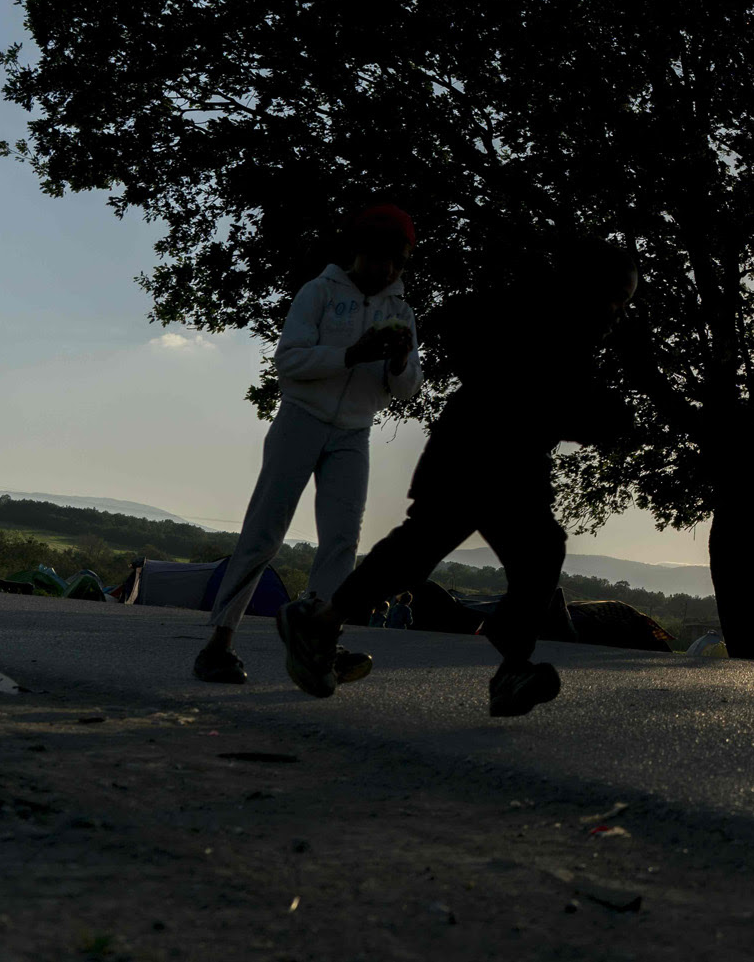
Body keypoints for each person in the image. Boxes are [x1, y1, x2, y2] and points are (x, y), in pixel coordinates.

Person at [276, 239, 638, 717]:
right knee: (433, 549)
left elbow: (555, 405)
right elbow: (522, 383)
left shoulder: (573, 336)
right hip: (474, 454)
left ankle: (509, 664)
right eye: (617, 299)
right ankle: (325, 621)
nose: (619, 313)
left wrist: (599, 417)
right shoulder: (536, 311)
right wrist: (595, 416)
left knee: (518, 552)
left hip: (510, 463)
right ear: (589, 287)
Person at [191, 206, 421, 685]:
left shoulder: (401, 313)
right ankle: (219, 642)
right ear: (357, 252)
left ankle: (320, 639)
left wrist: (399, 362)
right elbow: (290, 361)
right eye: (379, 258)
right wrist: (351, 354)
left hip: (354, 432)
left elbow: (407, 390)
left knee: (342, 539)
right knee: (264, 531)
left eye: (397, 262)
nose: (387, 270)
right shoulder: (320, 292)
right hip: (301, 420)